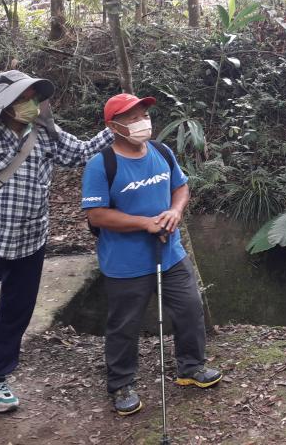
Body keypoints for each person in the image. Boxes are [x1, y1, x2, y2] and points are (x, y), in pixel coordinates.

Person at [0, 70, 115, 441]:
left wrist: (117, 126)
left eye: (37, 96)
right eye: (26, 96)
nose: (33, 103)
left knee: (15, 315)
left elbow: (81, 152)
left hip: (31, 244)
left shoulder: (44, 137)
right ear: (6, 103)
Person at [81, 93, 221, 417]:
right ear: (114, 126)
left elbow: (181, 187)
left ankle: (191, 367)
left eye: (143, 114)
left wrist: (174, 211)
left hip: (169, 252)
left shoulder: (161, 151)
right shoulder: (102, 164)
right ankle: (121, 384)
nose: (142, 121)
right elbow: (96, 215)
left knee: (189, 308)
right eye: (132, 117)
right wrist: (145, 223)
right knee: (124, 324)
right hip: (125, 263)